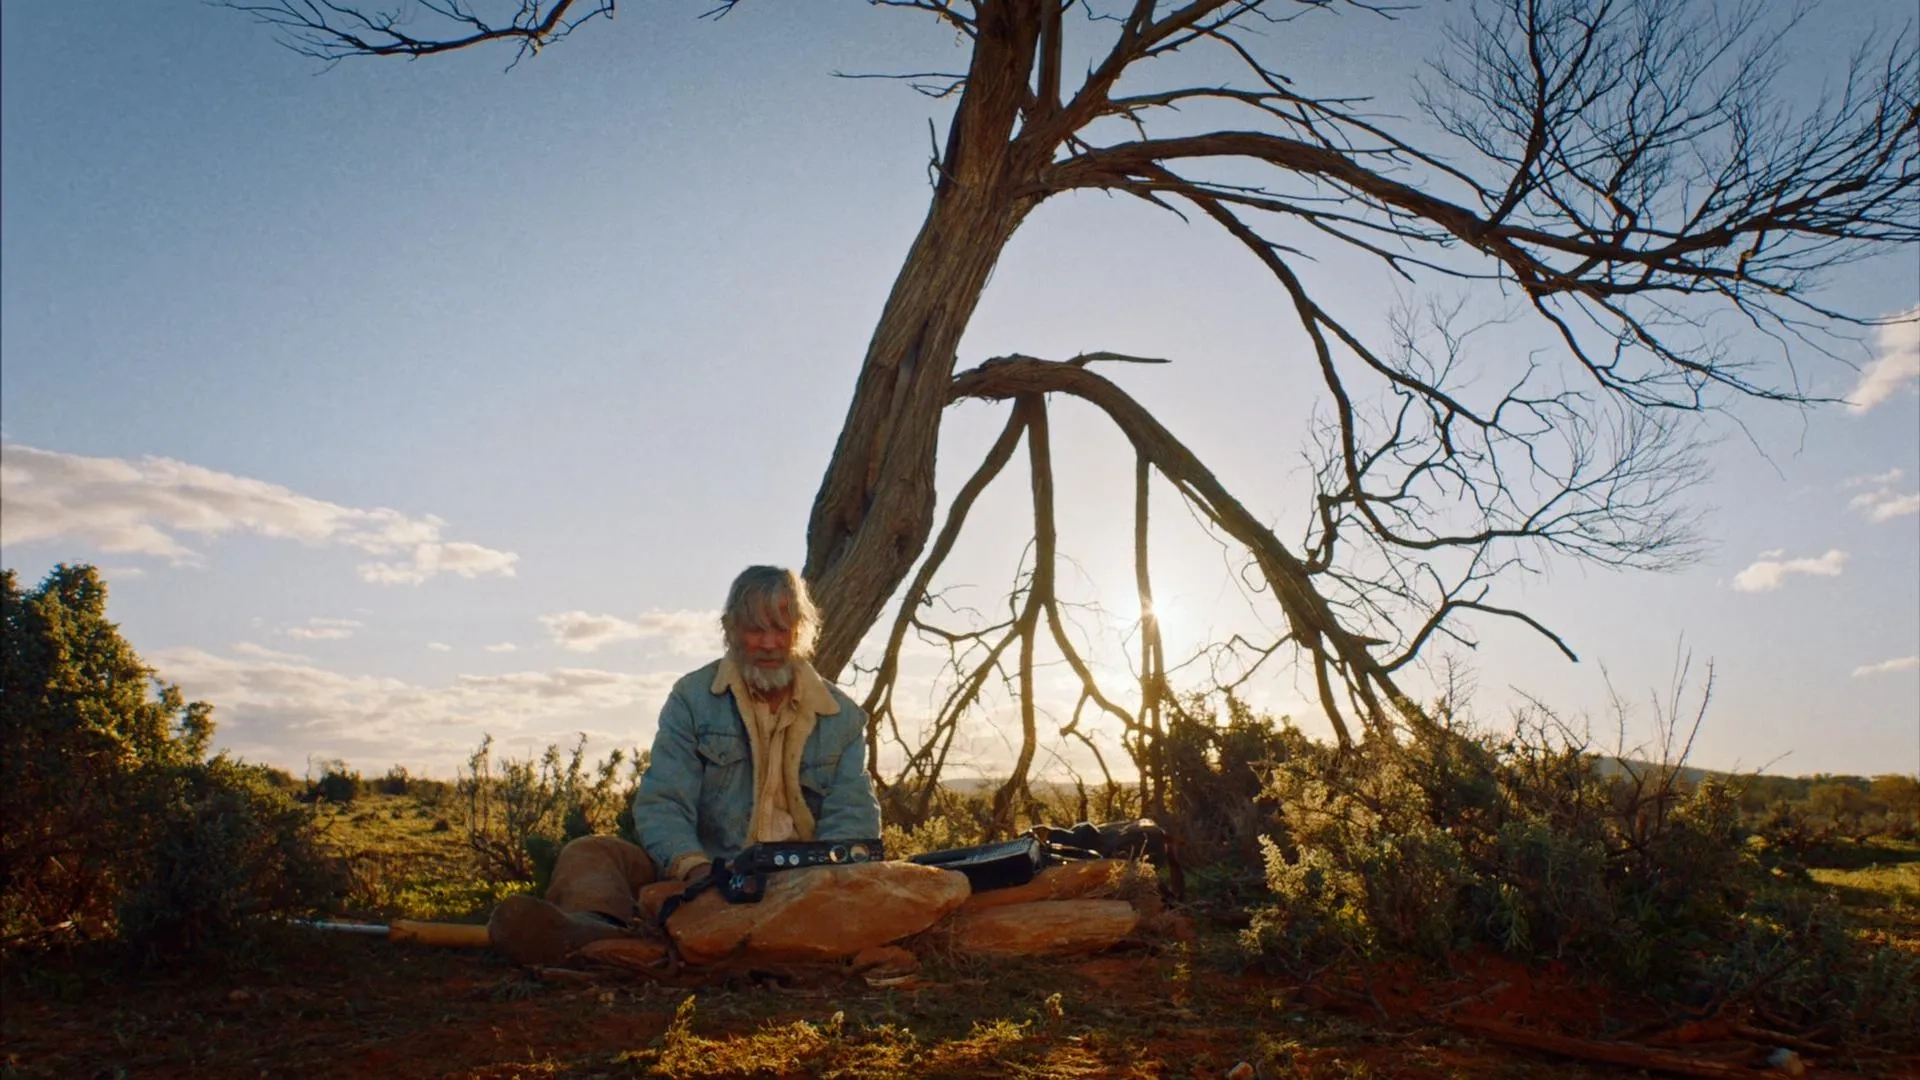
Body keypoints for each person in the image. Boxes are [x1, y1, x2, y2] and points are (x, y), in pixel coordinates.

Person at [487, 565, 882, 966]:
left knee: (882, 884)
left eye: (781, 629)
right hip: (700, 879)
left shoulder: (841, 716)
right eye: (754, 629)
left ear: (802, 630)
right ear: (729, 629)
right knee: (590, 852)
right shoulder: (693, 698)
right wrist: (696, 872)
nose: (768, 643)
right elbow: (663, 803)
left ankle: (633, 950)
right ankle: (591, 930)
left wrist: (817, 882)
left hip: (800, 889)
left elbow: (852, 822)